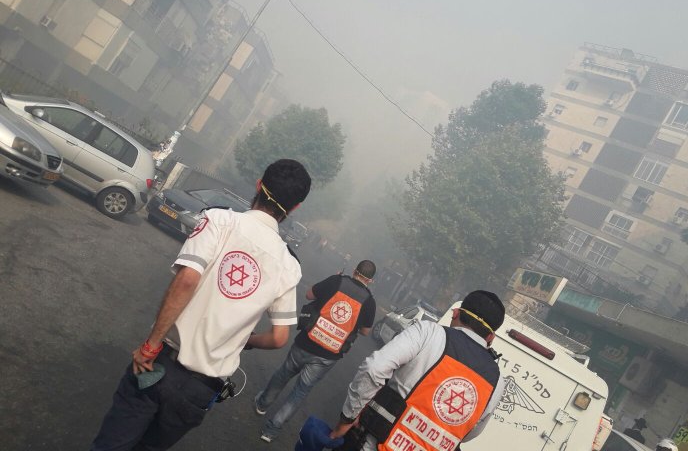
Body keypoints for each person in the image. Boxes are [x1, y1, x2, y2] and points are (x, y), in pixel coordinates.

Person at [90, 159, 312, 451]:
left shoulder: (220, 221)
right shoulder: (288, 265)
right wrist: (247, 340)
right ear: (294, 208)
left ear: (259, 185)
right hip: (201, 389)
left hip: (161, 364)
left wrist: (150, 345)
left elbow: (186, 281)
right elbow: (280, 337)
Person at [330, 290, 506, 451]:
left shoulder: (429, 332)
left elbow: (374, 368)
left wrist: (347, 419)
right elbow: (469, 433)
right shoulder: (497, 382)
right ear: (491, 337)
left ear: (456, 313)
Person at [254, 260, 378, 443]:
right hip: (329, 354)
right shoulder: (369, 301)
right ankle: (271, 430)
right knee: (301, 391)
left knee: (284, 373)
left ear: (354, 271)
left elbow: (309, 294)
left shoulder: (337, 281)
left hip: (307, 341)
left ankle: (262, 404)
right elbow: (366, 331)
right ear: (371, 281)